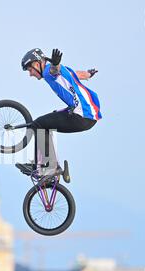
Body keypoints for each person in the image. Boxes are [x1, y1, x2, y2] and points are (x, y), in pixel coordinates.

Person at [17, 48, 102, 182]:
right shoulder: (64, 69)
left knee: (38, 124)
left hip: (81, 116)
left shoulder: (48, 71)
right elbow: (79, 74)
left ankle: (49, 167)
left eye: (29, 69)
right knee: (48, 121)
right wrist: (89, 74)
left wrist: (55, 63)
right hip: (87, 117)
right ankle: (48, 166)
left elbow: (53, 71)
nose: (30, 74)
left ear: (37, 63)